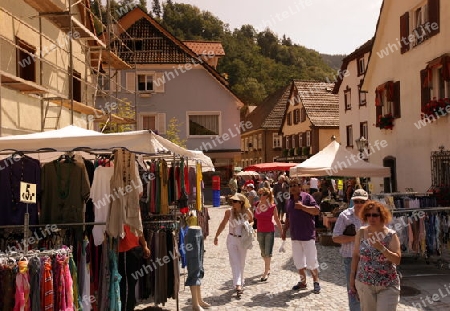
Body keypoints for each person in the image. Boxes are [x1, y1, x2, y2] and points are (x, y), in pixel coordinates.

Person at [350, 201, 401, 311]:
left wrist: (381, 248)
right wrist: (352, 277)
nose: (371, 218)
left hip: (387, 285)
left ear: (382, 216)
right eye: (368, 215)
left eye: (375, 215)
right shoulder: (361, 232)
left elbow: (397, 260)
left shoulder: (390, 235)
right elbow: (355, 255)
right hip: (364, 283)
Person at [281, 178, 321, 294]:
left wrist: (303, 207)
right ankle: (303, 282)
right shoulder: (289, 201)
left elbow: (316, 211)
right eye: (291, 185)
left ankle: (316, 281)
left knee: (311, 261)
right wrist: (284, 231)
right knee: (298, 261)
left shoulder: (307, 197)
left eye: (295, 185)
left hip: (307, 235)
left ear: (300, 186)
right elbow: (288, 217)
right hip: (295, 236)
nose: (293, 187)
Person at [332, 189, 368, 311]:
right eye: (356, 201)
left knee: (368, 289)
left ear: (366, 202)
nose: (359, 204)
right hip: (350, 257)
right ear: (352, 201)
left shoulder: (372, 216)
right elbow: (335, 237)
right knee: (353, 289)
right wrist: (355, 237)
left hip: (368, 259)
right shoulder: (345, 216)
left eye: (361, 201)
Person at [213, 193, 253, 296]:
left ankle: (240, 282)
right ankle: (238, 285)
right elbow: (223, 224)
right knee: (235, 262)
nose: (233, 203)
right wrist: (216, 236)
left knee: (242, 263)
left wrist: (248, 226)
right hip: (231, 239)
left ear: (241, 203)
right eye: (232, 201)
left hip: (242, 240)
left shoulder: (246, 212)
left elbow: (252, 220)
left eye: (235, 201)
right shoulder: (228, 212)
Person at [119, 225, 151, 311]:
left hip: (133, 249)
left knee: (130, 285)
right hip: (126, 249)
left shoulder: (137, 211)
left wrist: (144, 245)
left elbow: (139, 228)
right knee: (127, 286)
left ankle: (129, 307)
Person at [254, 187, 283, 282]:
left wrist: (282, 231)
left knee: (268, 252)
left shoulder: (272, 206)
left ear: (267, 196)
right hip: (260, 231)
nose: (260, 196)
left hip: (269, 231)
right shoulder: (256, 205)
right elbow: (253, 218)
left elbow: (277, 219)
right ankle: (268, 267)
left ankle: (266, 272)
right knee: (263, 252)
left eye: (263, 194)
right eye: (260, 194)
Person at [185, 225, 211, 311]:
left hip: (199, 232)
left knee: (199, 267)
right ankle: (195, 304)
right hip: (192, 235)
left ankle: (199, 300)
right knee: (193, 268)